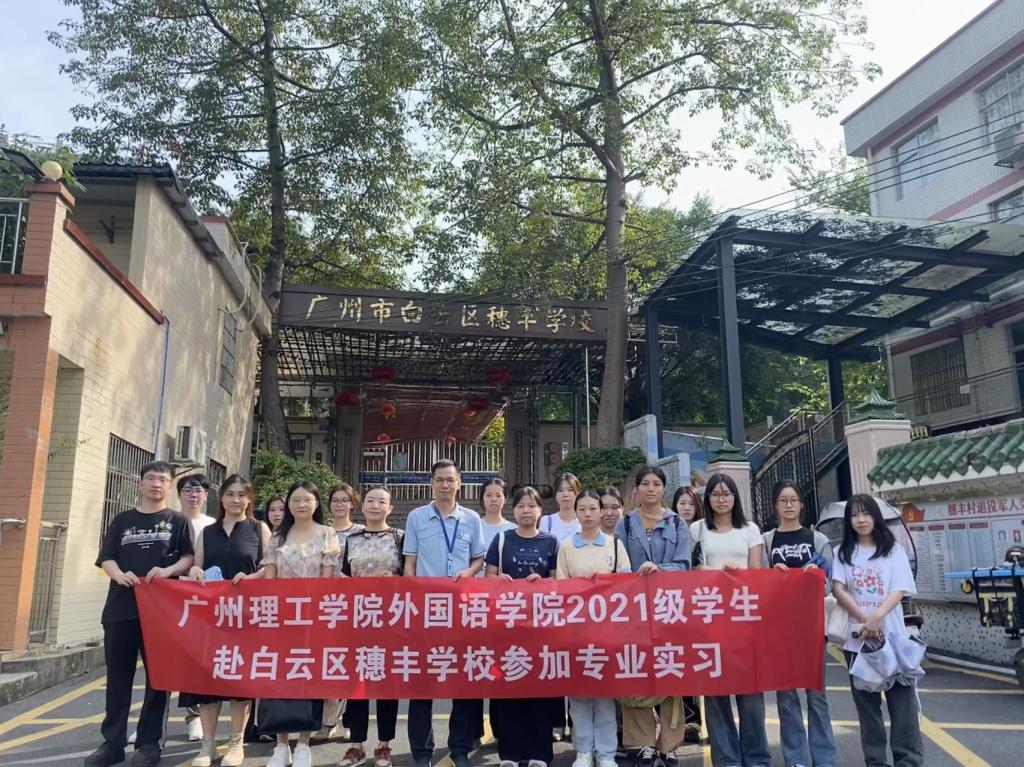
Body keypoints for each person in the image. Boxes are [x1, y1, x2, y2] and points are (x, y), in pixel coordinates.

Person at [85, 461, 195, 767]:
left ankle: (149, 743)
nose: (156, 483)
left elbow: (188, 557)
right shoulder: (122, 520)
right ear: (140, 484)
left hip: (162, 612)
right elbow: (107, 557)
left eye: (162, 479)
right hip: (121, 608)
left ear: (170, 486)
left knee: (158, 678)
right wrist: (118, 575)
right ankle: (112, 743)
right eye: (151, 478)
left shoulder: (177, 520)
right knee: (118, 678)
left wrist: (169, 570)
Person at [403, 459, 486, 767]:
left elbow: (478, 559)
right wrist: (412, 601)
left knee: (462, 681)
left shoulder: (471, 518)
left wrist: (470, 572)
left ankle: (460, 748)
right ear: (431, 483)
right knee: (422, 684)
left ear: (459, 484)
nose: (445, 485)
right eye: (439, 480)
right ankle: (421, 752)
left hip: (462, 611)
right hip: (427, 611)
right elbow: (410, 562)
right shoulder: (416, 517)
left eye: (450, 480)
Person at [186, 475, 271, 767]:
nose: (236, 499)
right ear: (221, 497)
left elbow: (270, 567)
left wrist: (253, 577)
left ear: (249, 499)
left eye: (242, 494)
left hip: (247, 615)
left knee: (240, 680)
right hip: (211, 616)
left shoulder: (259, 529)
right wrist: (195, 572)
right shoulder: (207, 532)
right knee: (207, 679)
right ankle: (208, 744)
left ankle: (236, 743)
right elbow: (196, 565)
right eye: (230, 494)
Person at [832, 494, 923, 767]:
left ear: (875, 516)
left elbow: (900, 588)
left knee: (903, 708)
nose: (861, 520)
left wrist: (878, 617)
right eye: (854, 515)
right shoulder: (842, 553)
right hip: (857, 643)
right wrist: (865, 619)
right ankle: (875, 762)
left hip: (894, 639)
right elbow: (838, 589)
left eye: (866, 513)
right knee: (868, 711)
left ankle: (908, 761)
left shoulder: (893, 550)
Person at [690, 474, 770, 767]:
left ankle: (757, 758)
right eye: (715, 494)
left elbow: (757, 574)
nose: (721, 499)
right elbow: (691, 571)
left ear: (735, 498)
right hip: (709, 620)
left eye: (727, 494)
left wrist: (740, 573)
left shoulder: (750, 529)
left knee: (751, 695)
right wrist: (706, 572)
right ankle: (726, 759)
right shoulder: (697, 529)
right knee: (715, 696)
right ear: (707, 498)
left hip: (742, 619)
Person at [614, 467, 691, 767]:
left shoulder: (677, 523)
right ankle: (643, 743)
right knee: (636, 671)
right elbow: (618, 564)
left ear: (663, 489)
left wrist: (661, 570)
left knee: (669, 670)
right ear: (636, 489)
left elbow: (684, 564)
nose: (650, 488)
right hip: (633, 609)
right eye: (645, 484)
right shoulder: (625, 523)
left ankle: (669, 744)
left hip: (668, 608)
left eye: (656, 484)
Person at [261, 481, 341, 767]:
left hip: (313, 618)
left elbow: (327, 580)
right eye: (295, 500)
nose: (301, 504)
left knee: (309, 679)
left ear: (316, 502)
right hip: (281, 618)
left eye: (307, 499)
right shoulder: (278, 537)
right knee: (279, 680)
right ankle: (281, 745)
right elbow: (269, 578)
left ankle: (304, 744)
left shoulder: (327, 534)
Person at [485, 486, 560, 767]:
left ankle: (539, 753)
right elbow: (489, 576)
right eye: (520, 506)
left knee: (538, 689)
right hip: (507, 626)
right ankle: (510, 753)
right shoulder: (502, 539)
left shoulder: (551, 542)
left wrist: (543, 583)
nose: (526, 510)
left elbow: (557, 581)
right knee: (509, 688)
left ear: (540, 510)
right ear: (513, 510)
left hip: (540, 627)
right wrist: (499, 580)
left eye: (532, 505)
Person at [763, 480, 836, 767]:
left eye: (793, 500)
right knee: (786, 697)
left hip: (812, 628)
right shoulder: (767, 540)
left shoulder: (818, 540)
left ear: (801, 504)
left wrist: (816, 575)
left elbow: (830, 585)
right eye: (783, 500)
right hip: (779, 629)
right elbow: (758, 583)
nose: (789, 505)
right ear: (776, 506)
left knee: (817, 696)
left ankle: (824, 759)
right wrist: (772, 574)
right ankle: (796, 759)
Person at [557, 490, 630, 767]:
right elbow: (561, 587)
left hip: (608, 631)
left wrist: (603, 580)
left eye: (592, 509)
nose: (588, 514)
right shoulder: (566, 547)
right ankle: (584, 750)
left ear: (601, 511)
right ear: (576, 512)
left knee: (605, 694)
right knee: (579, 695)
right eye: (582, 509)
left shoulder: (614, 545)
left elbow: (627, 584)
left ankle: (606, 752)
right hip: (577, 631)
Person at [338, 486, 404, 767]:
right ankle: (356, 744)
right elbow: (343, 575)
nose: (375, 505)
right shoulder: (351, 540)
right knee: (357, 683)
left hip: (391, 620)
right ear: (362, 507)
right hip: (358, 620)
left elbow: (410, 576)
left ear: (390, 508)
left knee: (387, 684)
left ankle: (384, 745)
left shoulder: (400, 538)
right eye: (370, 501)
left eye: (381, 501)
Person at [322, 483, 365, 741]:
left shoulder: (360, 532)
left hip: (354, 606)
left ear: (352, 504)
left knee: (351, 663)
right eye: (335, 500)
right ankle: (327, 719)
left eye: (344, 500)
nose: (339, 504)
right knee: (328, 661)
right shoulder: (321, 532)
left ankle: (347, 718)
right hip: (325, 606)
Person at [176, 474, 215, 744]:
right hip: (170, 601)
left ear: (206, 496)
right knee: (165, 661)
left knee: (198, 661)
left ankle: (195, 717)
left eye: (199, 490)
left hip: (202, 603)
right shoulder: (169, 521)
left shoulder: (211, 525)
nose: (193, 495)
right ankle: (150, 722)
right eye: (188, 490)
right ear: (178, 494)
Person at [669, 484, 703, 744]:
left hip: (700, 605)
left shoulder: (703, 531)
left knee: (695, 662)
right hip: (674, 605)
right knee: (675, 661)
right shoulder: (670, 531)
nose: (687, 508)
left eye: (691, 503)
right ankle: (677, 721)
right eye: (682, 503)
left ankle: (694, 720)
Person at [541, 473, 582, 542]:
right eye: (560, 490)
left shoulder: (584, 522)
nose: (565, 494)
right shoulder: (546, 522)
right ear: (555, 496)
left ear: (578, 494)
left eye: (570, 490)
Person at [480, 477, 515, 551]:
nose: (493, 499)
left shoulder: (513, 529)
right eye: (489, 495)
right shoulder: (475, 527)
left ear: (505, 499)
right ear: (482, 498)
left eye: (498, 495)